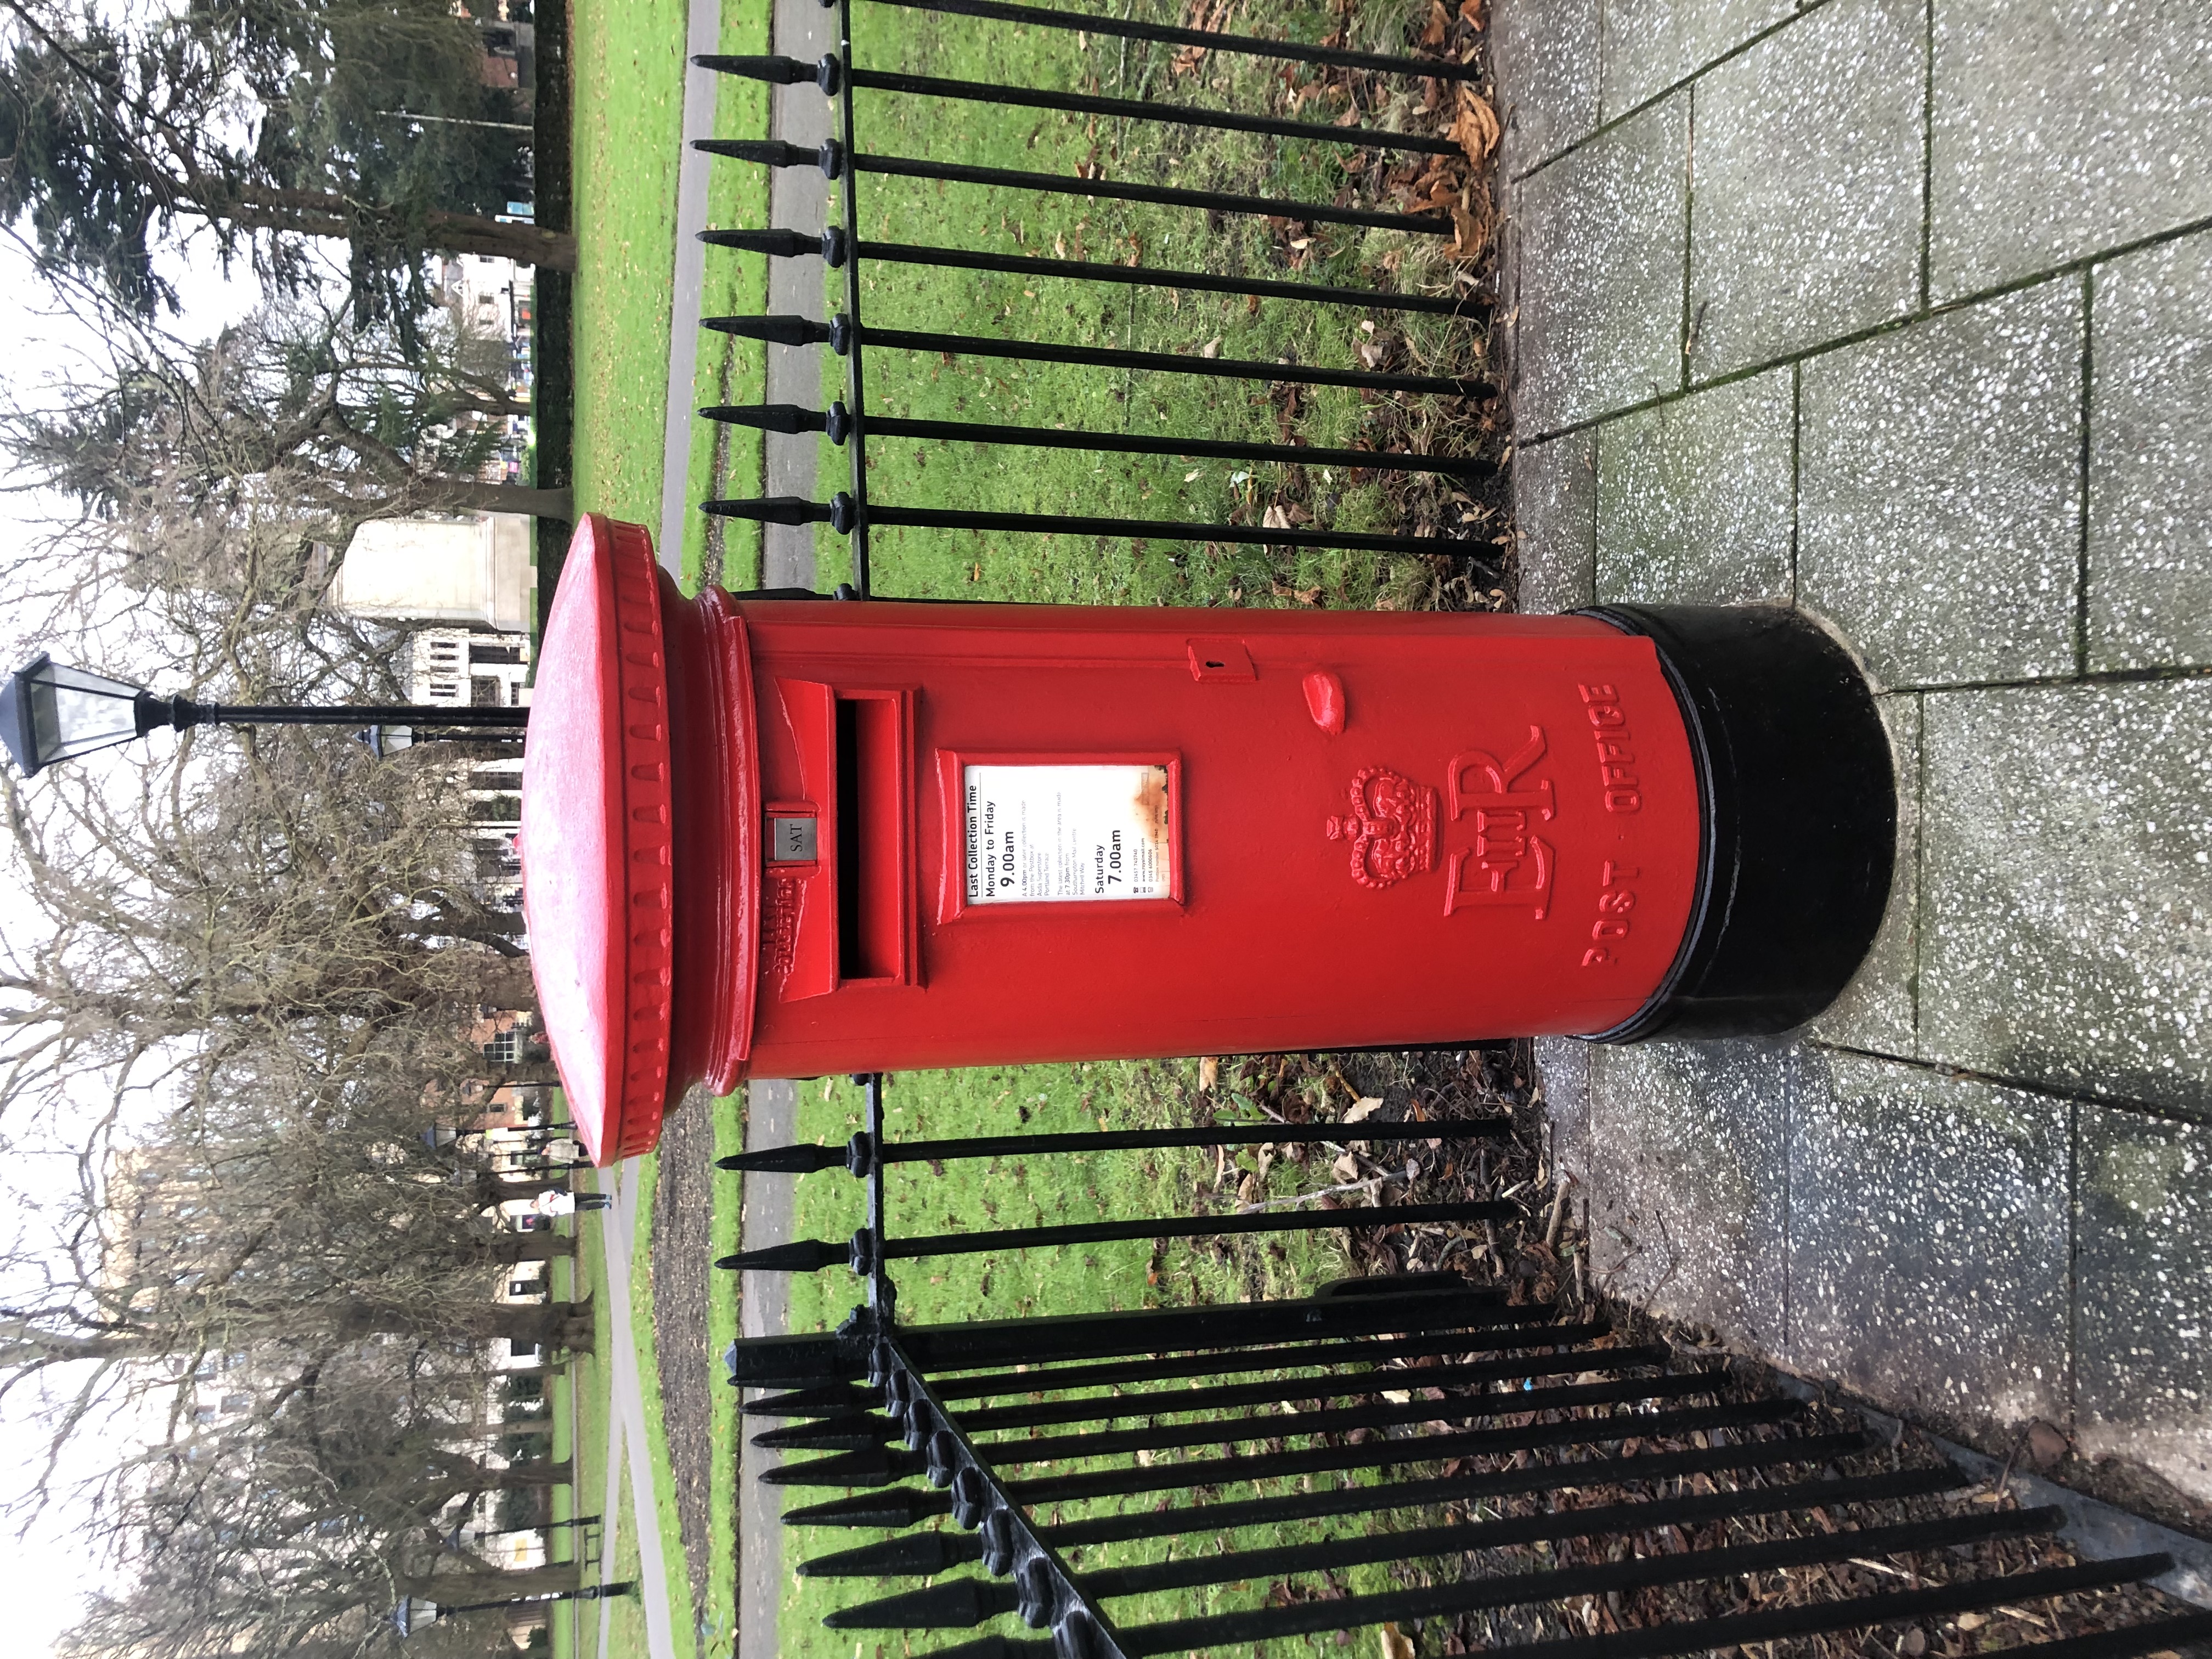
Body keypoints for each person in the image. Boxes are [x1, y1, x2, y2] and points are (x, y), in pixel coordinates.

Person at [531, 1188, 613, 1219]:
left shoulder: (543, 1196)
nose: (536, 1205)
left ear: (535, 1200)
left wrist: (563, 1193)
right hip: (568, 1207)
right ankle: (604, 1205)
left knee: (588, 1196)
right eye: (535, 1207)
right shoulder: (544, 1211)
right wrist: (563, 1212)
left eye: (535, 1204)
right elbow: (555, 1214)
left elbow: (554, 1190)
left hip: (568, 1198)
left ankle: (604, 1197)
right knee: (587, 1207)